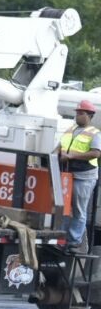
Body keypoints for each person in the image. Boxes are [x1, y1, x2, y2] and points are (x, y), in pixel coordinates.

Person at [58, 99, 101, 252]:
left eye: (81, 113)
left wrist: (72, 156)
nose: (78, 116)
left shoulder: (95, 133)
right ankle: (61, 238)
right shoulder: (70, 130)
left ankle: (74, 241)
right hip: (67, 175)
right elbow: (59, 147)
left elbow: (96, 153)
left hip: (84, 176)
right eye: (77, 113)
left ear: (90, 116)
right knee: (63, 208)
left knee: (78, 209)